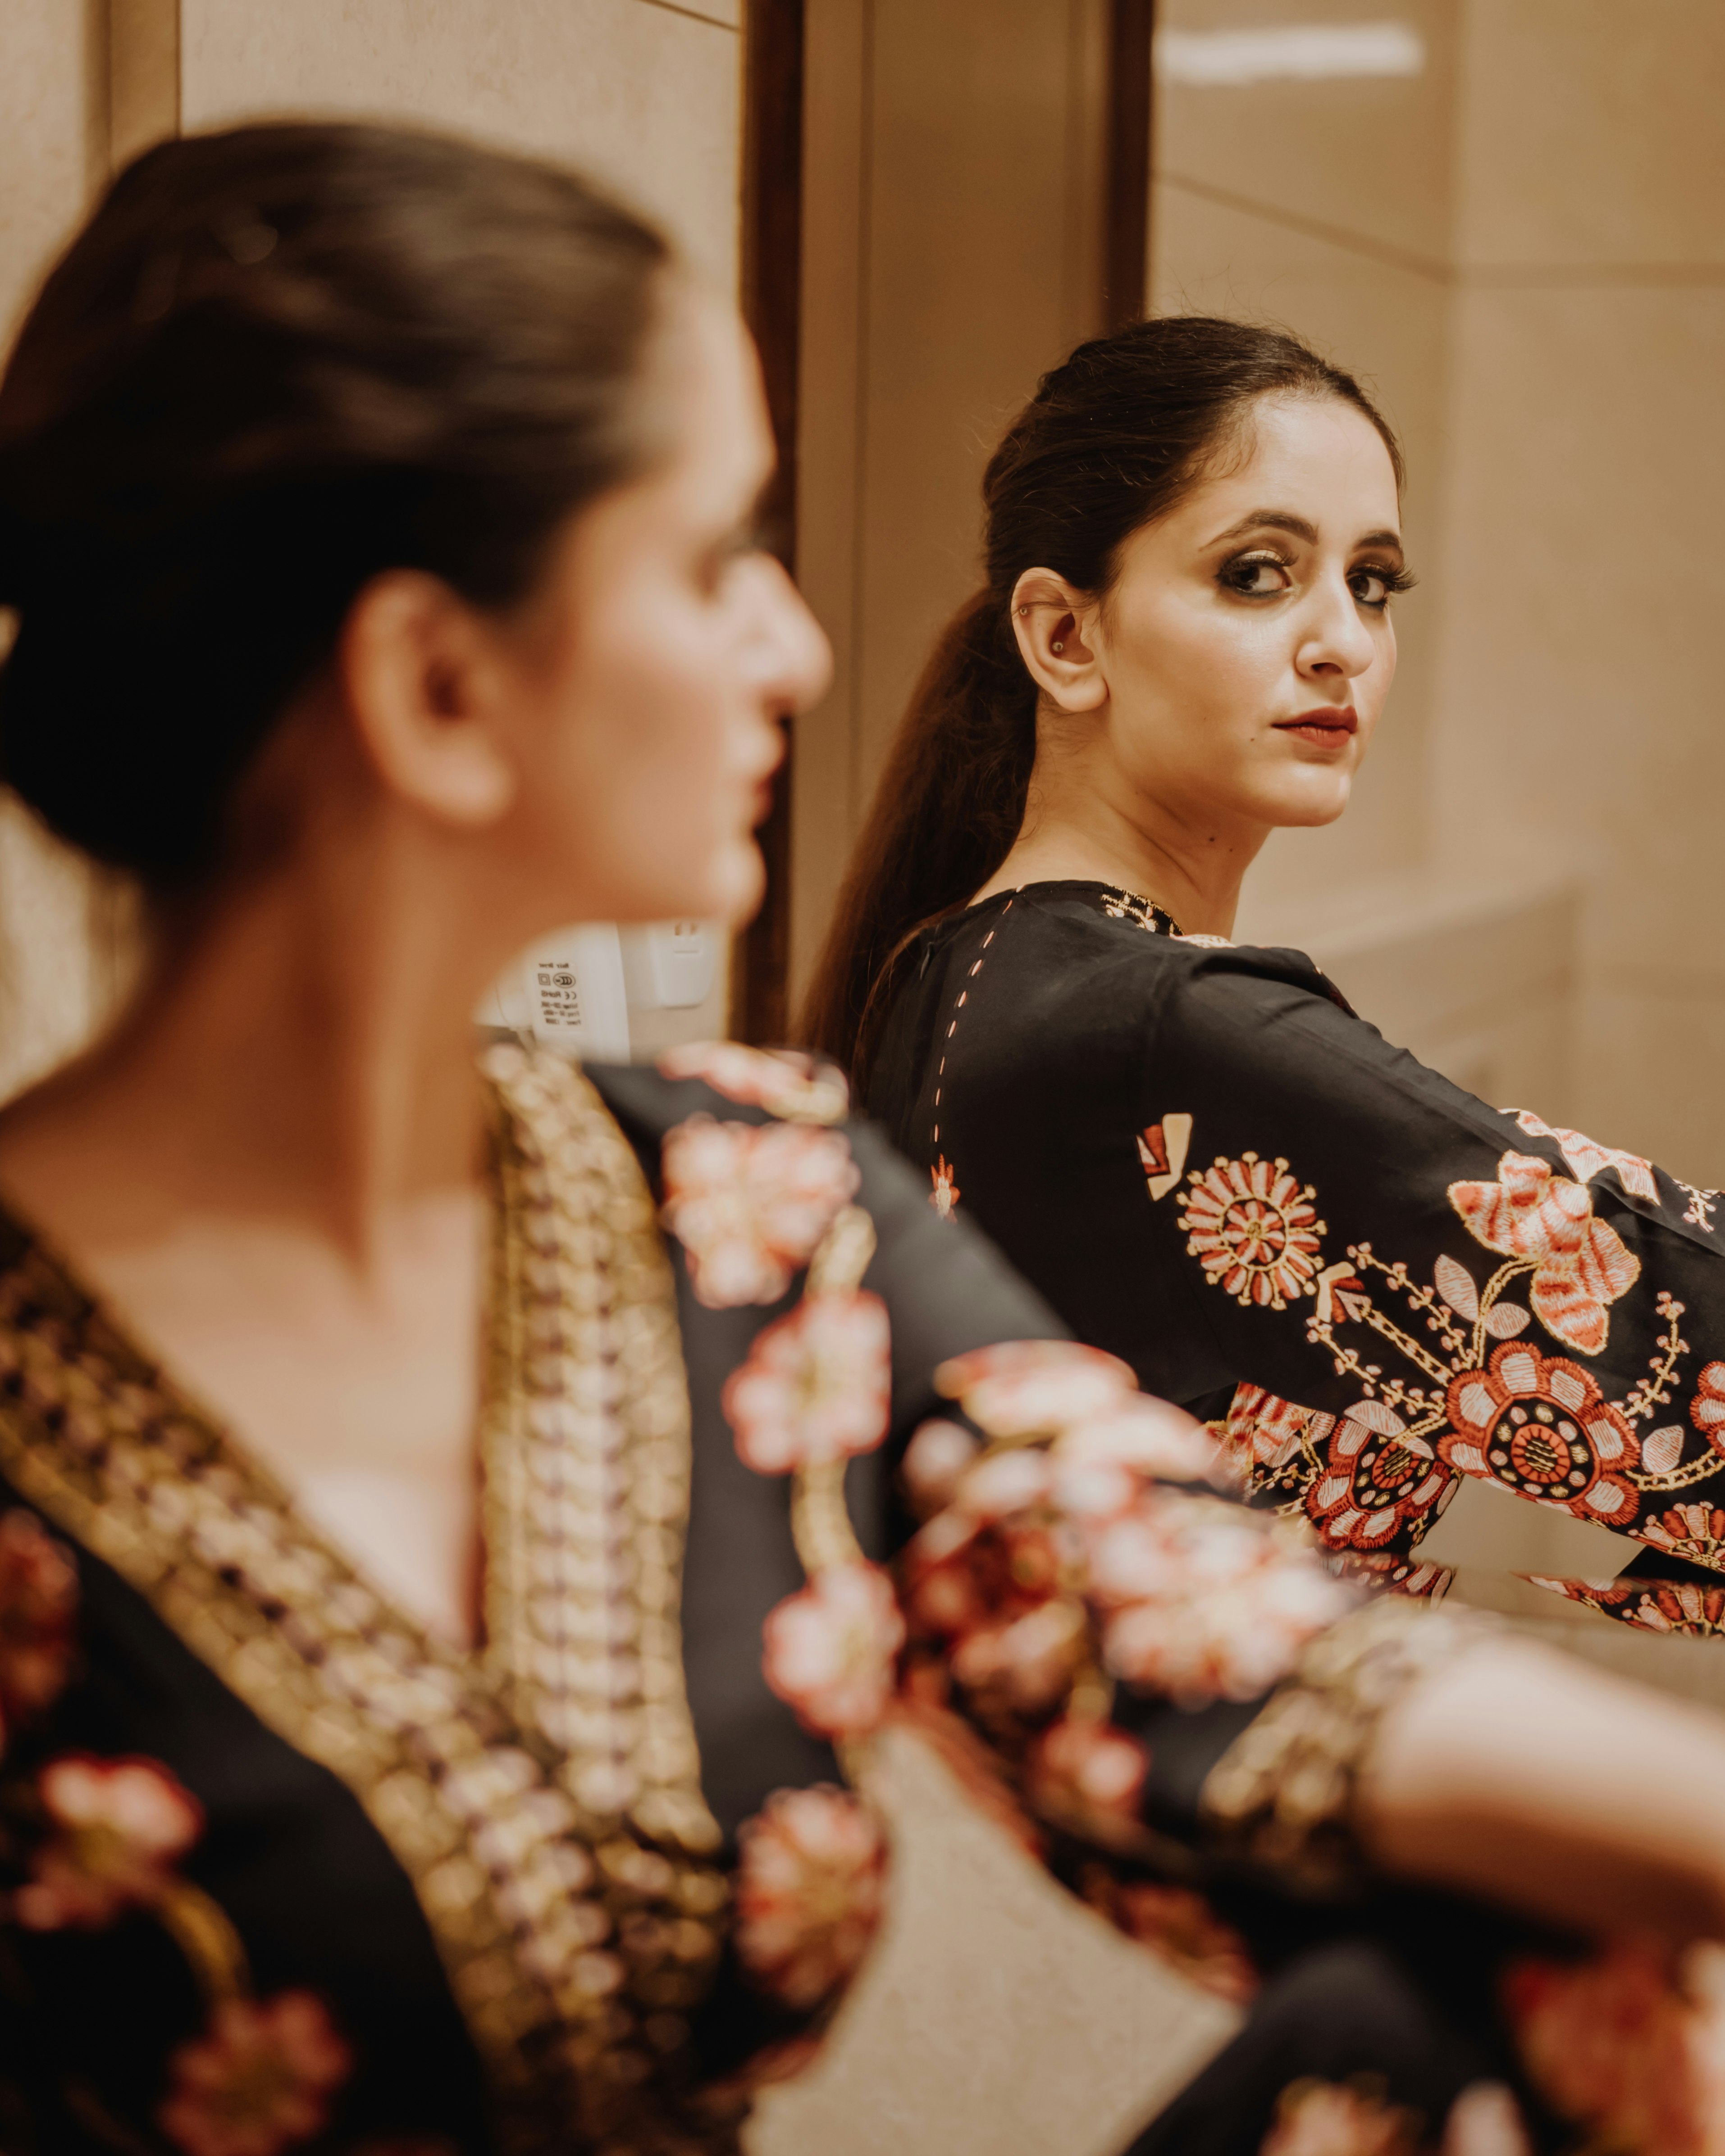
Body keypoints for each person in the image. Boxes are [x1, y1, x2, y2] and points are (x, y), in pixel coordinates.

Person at [0, 127, 1722, 2156]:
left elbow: (1206, 1646)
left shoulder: (748, 1194)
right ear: (437, 682)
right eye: (717, 556)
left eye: (1371, 583)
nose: (802, 650)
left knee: (1488, 2002)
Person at [810, 314, 1725, 1635]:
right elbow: (1688, 1351)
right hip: (1229, 1810)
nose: (1341, 642)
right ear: (1066, 637)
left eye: (1372, 583)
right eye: (1256, 573)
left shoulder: (951, 964)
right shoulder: (1167, 1036)